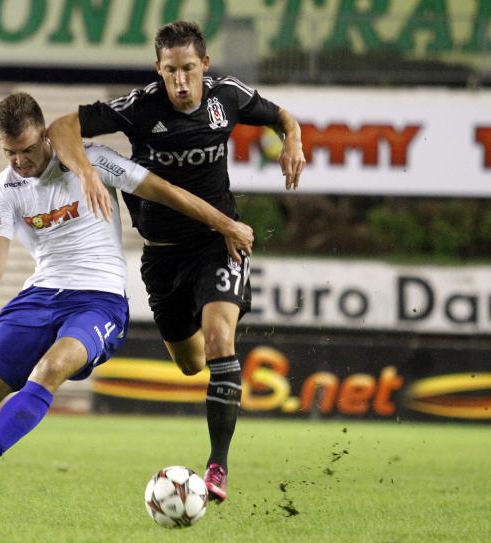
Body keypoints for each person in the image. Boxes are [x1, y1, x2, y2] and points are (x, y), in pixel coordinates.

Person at [0, 92, 253, 519]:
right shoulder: (6, 187)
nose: (20, 161)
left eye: (28, 149)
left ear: (46, 136)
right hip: (40, 296)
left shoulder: (94, 161)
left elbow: (166, 192)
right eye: (10, 153)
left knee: (49, 370)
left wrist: (225, 224)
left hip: (98, 301)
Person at [46, 20, 306, 502]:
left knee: (219, 339)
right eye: (171, 71)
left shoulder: (227, 97)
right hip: (162, 256)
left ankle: (217, 468)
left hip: (219, 241)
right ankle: (220, 367)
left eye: (189, 69)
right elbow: (61, 127)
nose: (181, 81)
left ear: (205, 64)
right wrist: (86, 172)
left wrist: (293, 138)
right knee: (190, 364)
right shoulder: (141, 106)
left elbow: (282, 116)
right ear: (158, 69)